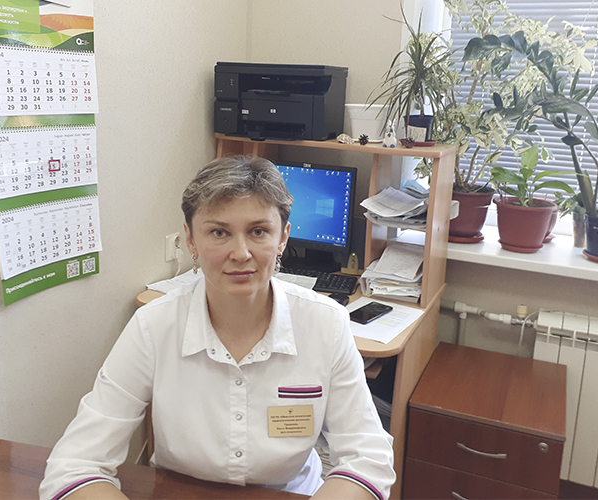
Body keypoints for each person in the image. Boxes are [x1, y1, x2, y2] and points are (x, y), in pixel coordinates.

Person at [39, 156, 395, 500]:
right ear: (191, 240)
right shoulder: (153, 327)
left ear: (282, 237)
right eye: (219, 232)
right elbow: (75, 465)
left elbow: (368, 457)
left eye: (258, 231)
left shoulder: (325, 324)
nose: (240, 253)